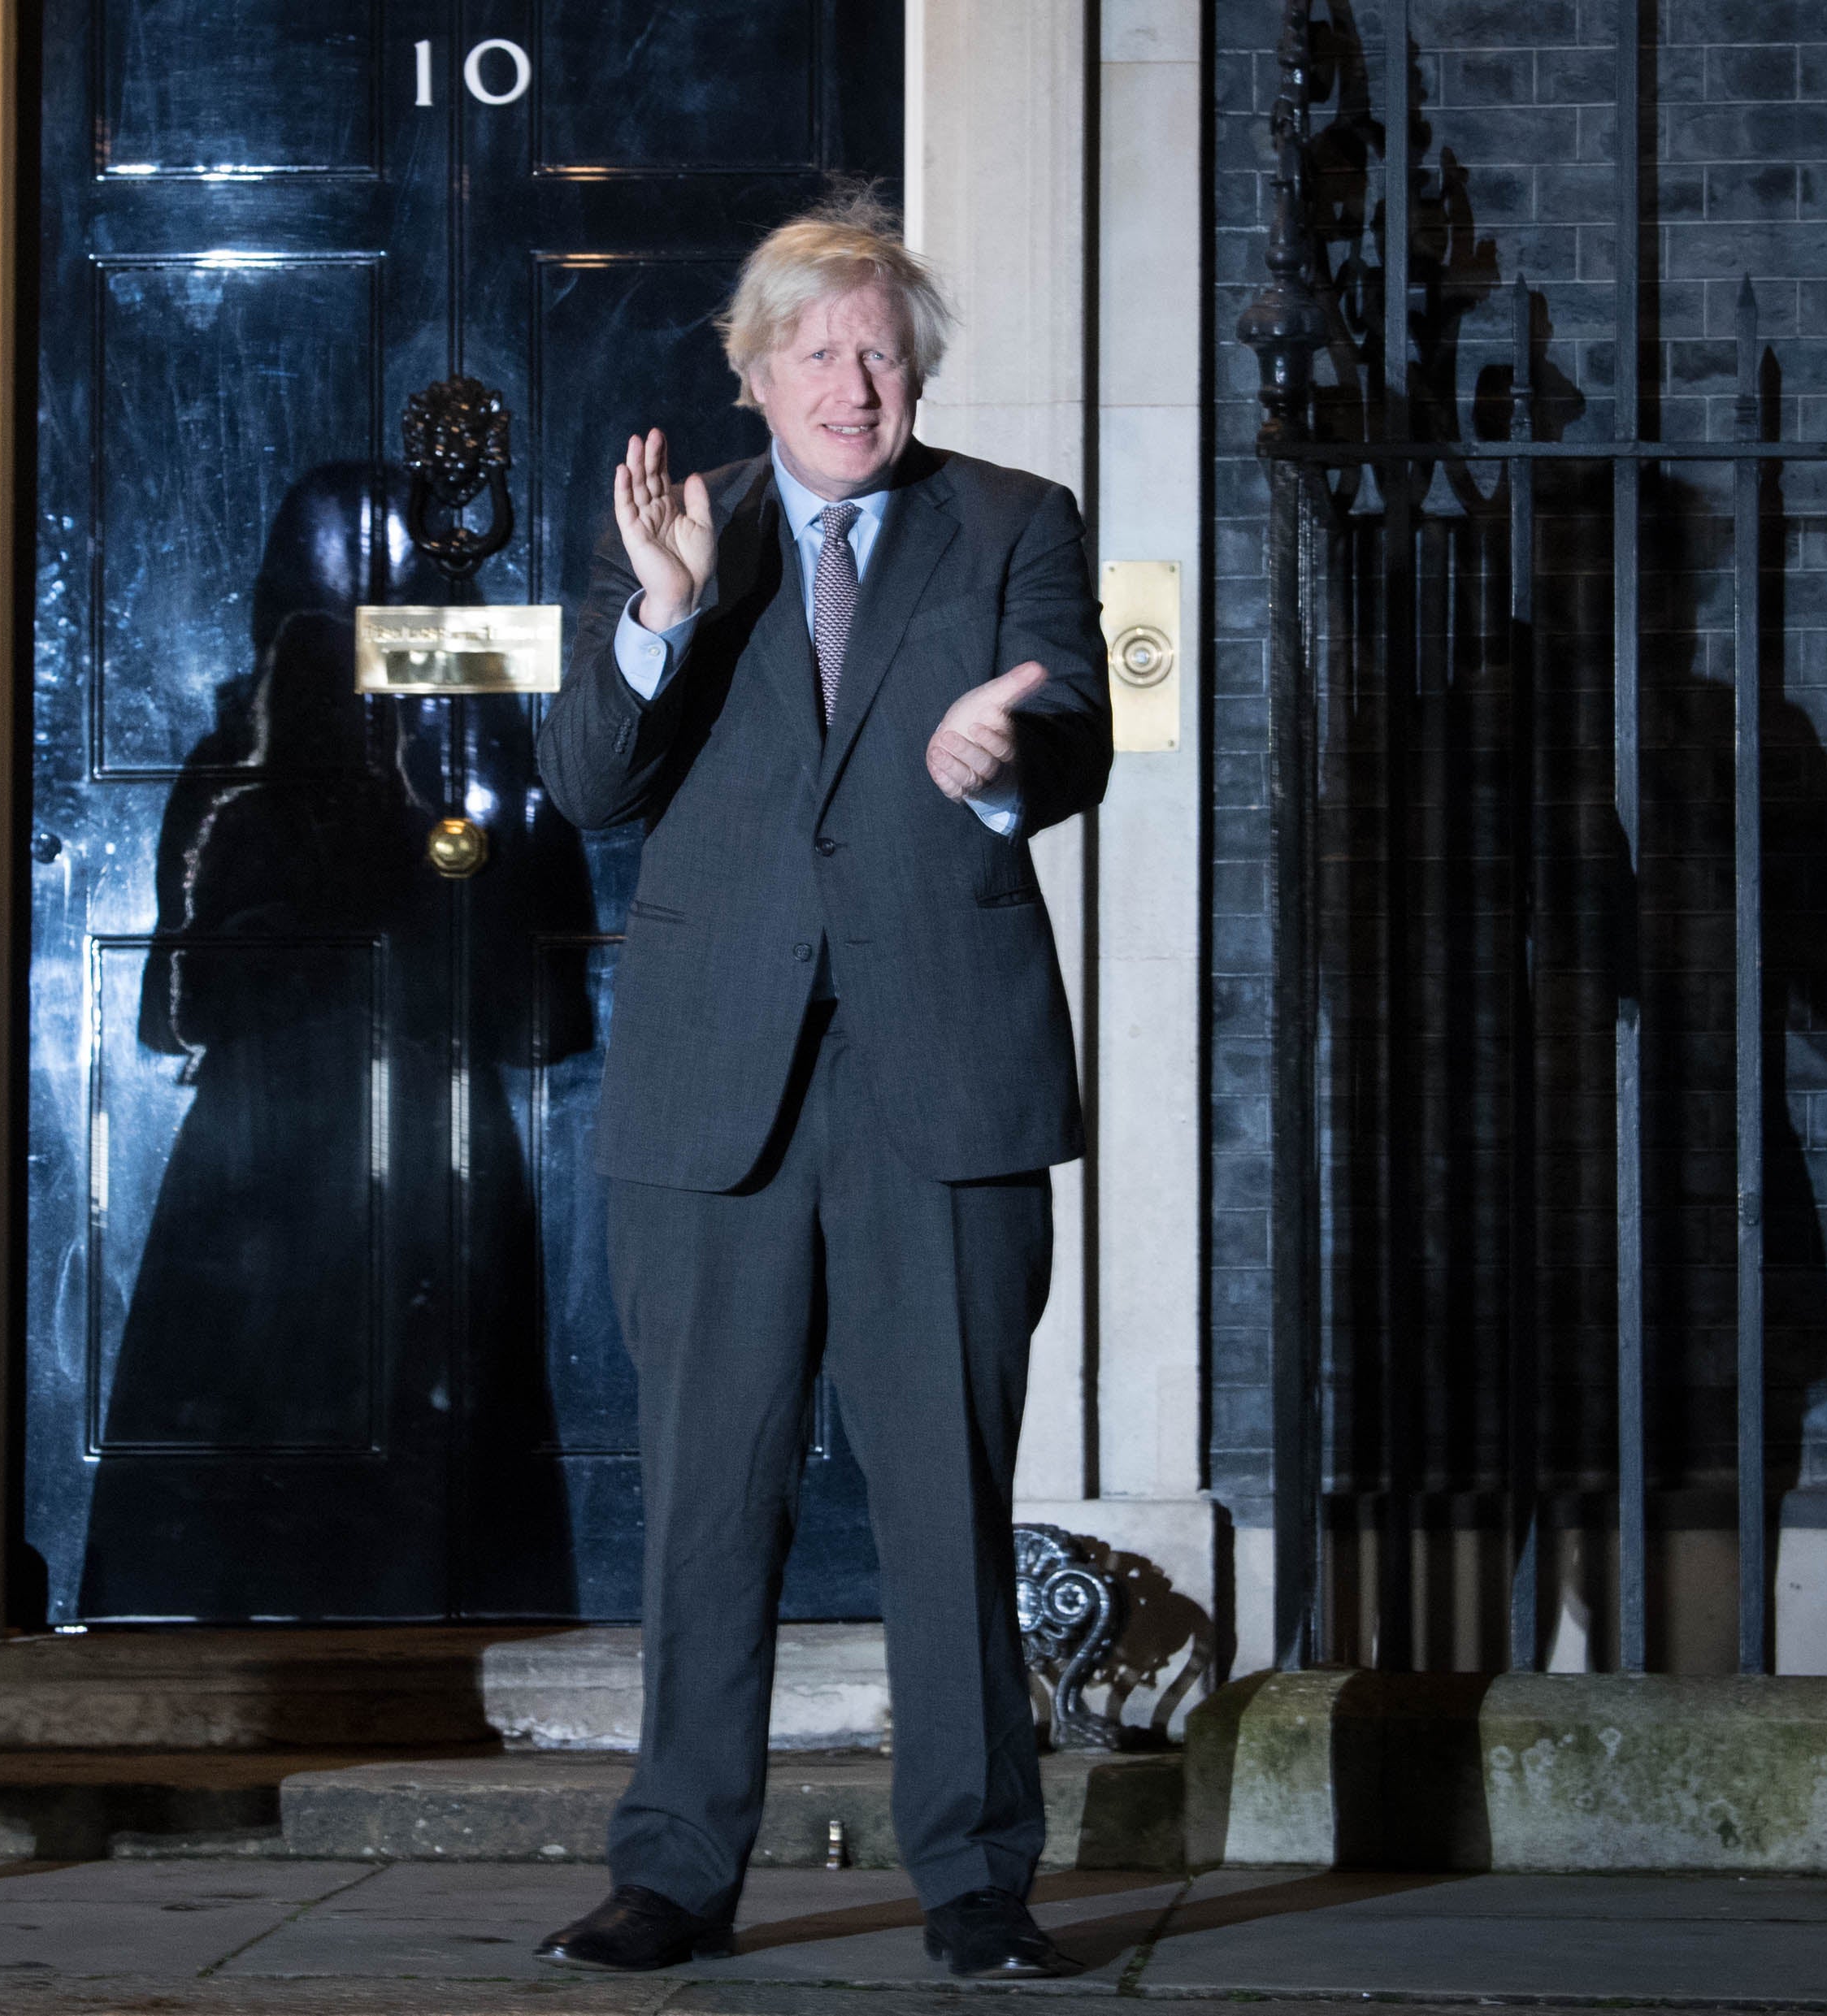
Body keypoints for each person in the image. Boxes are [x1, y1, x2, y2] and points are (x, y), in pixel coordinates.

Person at [530, 193, 1110, 1981]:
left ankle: (977, 1878)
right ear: (752, 369)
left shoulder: (1009, 519)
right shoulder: (679, 531)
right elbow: (592, 785)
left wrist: (1006, 746)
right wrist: (657, 611)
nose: (851, 382)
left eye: (879, 349)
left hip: (940, 1075)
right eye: (815, 349)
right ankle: (675, 1867)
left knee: (943, 1491)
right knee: (710, 1494)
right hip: (721, 1093)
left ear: (913, 365)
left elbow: (1073, 713)